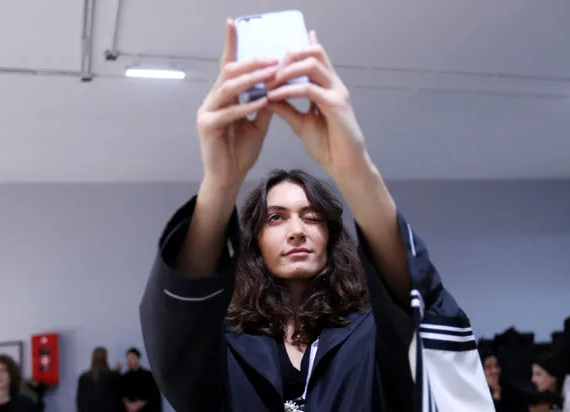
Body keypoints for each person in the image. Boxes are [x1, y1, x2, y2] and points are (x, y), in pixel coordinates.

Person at [140, 19, 494, 412]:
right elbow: (175, 337)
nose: (296, 231)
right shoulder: (225, 341)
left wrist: (353, 169)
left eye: (311, 217)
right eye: (276, 218)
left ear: (330, 234)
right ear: (253, 240)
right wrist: (221, 183)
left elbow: (415, 299)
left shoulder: (371, 331)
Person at [76, 347, 122, 412]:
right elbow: (119, 399)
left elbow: (80, 401)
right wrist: (118, 372)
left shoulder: (83, 377)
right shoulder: (113, 376)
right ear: (105, 358)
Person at [119, 347, 161, 412]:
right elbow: (122, 394)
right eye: (128, 358)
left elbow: (154, 396)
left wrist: (139, 404)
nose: (129, 361)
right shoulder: (124, 377)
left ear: (138, 358)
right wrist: (128, 404)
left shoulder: (148, 375)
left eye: (132, 358)